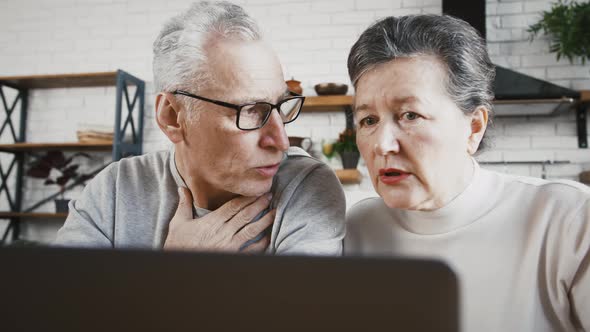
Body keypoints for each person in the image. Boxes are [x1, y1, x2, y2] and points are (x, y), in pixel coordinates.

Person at [344, 15, 589, 331]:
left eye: (409, 115)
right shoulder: (355, 229)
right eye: (368, 121)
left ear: (474, 127)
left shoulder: (568, 220)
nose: (382, 145)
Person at [55, 1, 345, 255]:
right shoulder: (115, 190)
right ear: (172, 117)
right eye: (250, 111)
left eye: (281, 105)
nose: (281, 141)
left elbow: (296, 317)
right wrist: (172, 274)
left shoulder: (306, 188)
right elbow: (57, 311)